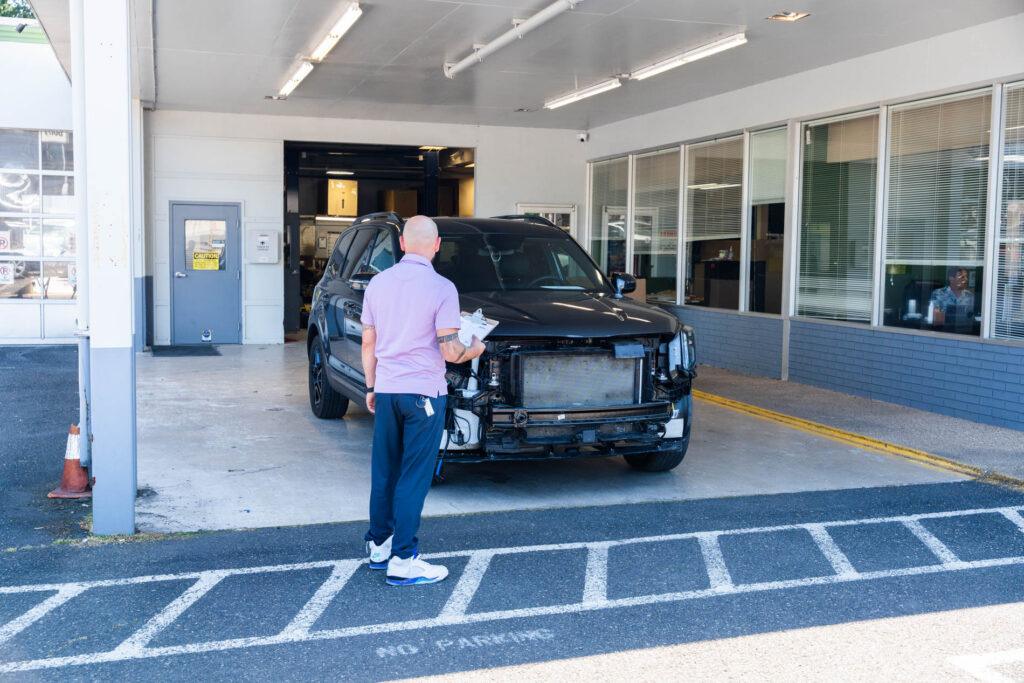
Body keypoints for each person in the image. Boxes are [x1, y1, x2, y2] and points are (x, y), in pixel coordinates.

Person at [360, 215, 485, 586]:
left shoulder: (377, 285)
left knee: (384, 471)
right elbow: (450, 351)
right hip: (424, 395)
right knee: (413, 477)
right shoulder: (442, 287)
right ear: (436, 245)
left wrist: (371, 388)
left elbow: (369, 343)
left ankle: (379, 546)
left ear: (401, 243)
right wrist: (474, 346)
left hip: (386, 390)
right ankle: (404, 560)